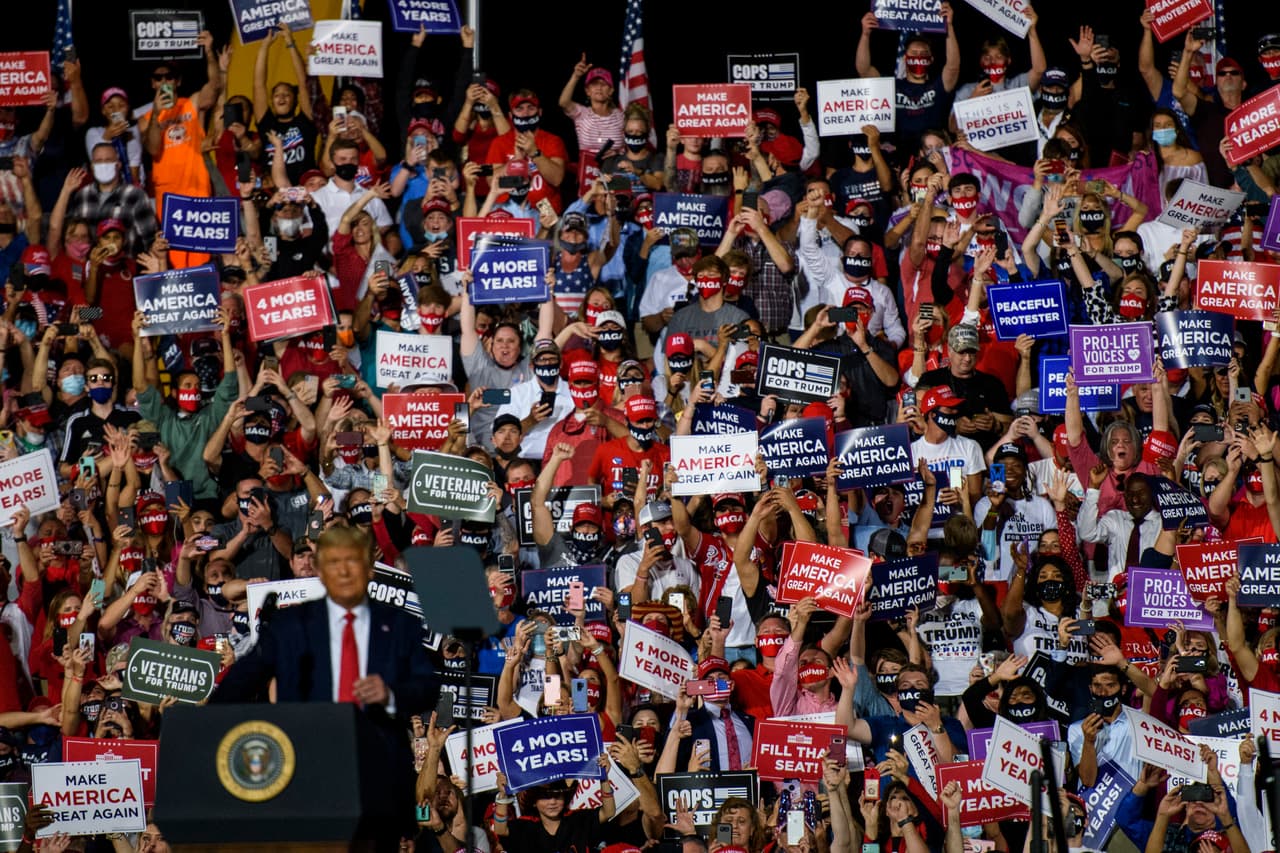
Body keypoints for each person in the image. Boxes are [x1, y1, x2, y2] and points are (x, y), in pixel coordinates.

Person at [213, 527, 436, 837]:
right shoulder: (289, 627)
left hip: (378, 775)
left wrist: (390, 694)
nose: (343, 571)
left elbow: (427, 686)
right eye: (333, 562)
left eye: (352, 561)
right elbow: (243, 678)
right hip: (309, 768)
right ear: (318, 570)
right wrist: (206, 723)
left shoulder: (400, 625)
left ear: (369, 568)